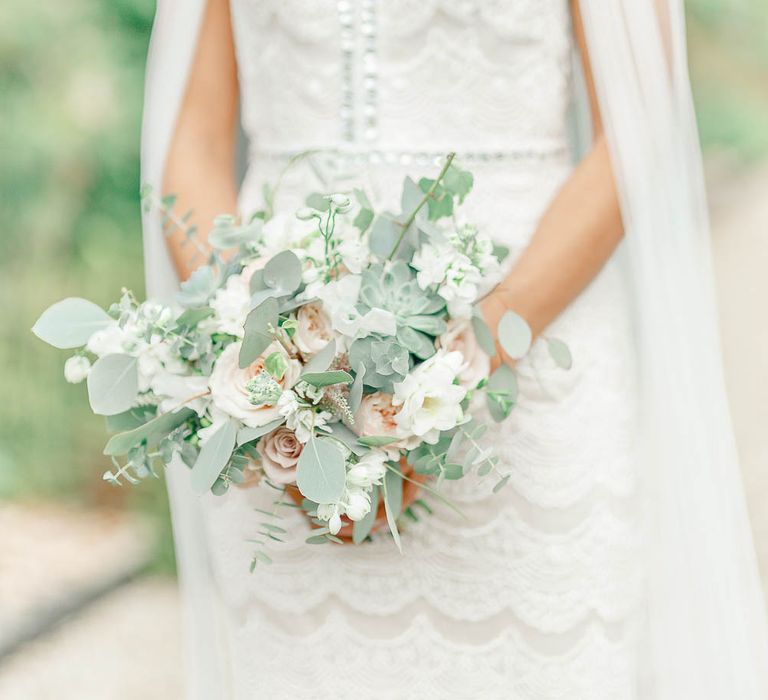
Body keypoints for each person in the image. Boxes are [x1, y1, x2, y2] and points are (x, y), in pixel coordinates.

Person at [141, 1, 768, 697]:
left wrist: (462, 358)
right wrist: (272, 361)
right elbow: (192, 145)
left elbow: (640, 120)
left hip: (533, 352)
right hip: (283, 400)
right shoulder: (277, 378)